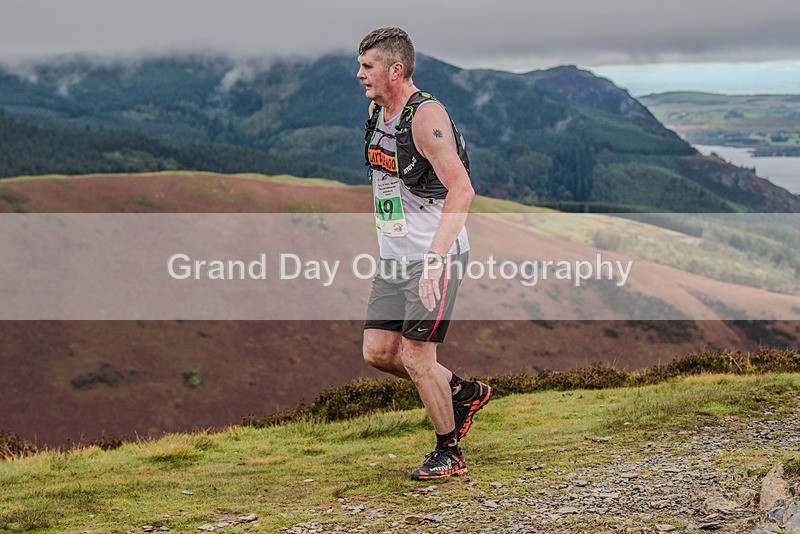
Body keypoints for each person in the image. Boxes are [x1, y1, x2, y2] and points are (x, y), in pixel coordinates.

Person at [357, 27, 492, 480]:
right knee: (378, 351)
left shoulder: (425, 118)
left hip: (436, 255)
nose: (359, 75)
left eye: (368, 66)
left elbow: (462, 189)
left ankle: (449, 451)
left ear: (397, 70)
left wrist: (435, 259)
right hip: (396, 256)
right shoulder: (378, 112)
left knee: (417, 357)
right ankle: (463, 392)